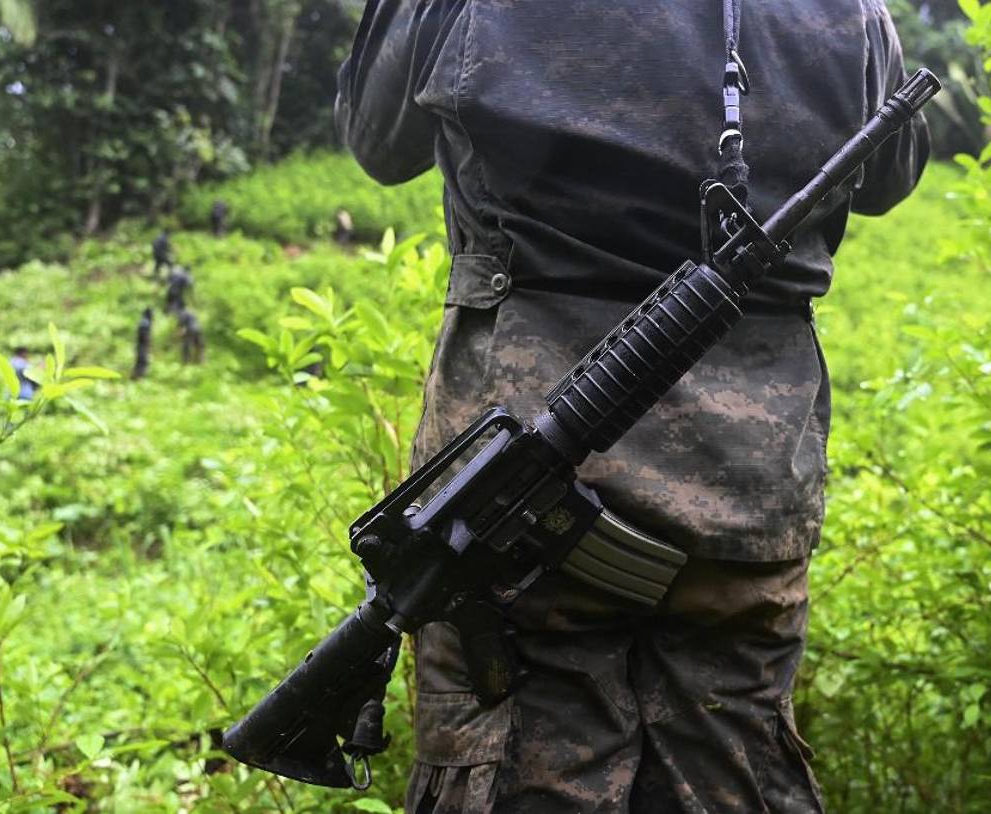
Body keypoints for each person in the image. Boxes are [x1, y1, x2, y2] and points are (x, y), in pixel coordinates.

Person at [336, 0, 929, 810]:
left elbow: (377, 142)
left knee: (516, 770)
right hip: (736, 486)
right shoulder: (848, 12)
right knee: (732, 768)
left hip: (514, 469)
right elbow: (892, 176)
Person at [131, 308, 154, 380]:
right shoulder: (145, 322)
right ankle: (138, 377)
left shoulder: (143, 321)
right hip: (142, 345)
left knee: (140, 361)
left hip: (140, 345)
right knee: (142, 361)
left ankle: (137, 377)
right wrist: (148, 343)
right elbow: (144, 335)